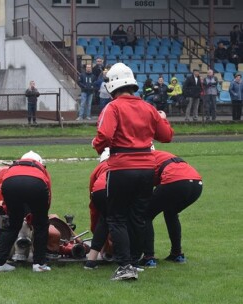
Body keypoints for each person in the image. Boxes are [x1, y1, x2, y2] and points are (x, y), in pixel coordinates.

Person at [92, 62, 174, 281]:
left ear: (112, 85)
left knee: (117, 218)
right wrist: (163, 118)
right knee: (138, 217)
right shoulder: (148, 107)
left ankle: (125, 265)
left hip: (122, 166)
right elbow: (166, 136)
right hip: (148, 167)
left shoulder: (114, 107)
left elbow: (105, 136)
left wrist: (97, 145)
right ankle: (135, 262)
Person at [140, 150, 202, 268]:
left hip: (176, 181)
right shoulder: (161, 154)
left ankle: (149, 257)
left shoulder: (144, 157)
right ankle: (177, 254)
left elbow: (146, 185)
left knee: (145, 215)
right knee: (171, 213)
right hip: (196, 183)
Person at [0, 151, 52, 273]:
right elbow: (48, 194)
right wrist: (39, 216)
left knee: (13, 225)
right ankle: (39, 264)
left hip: (10, 183)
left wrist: (9, 211)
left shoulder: (13, 168)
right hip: (36, 184)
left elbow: (4, 197)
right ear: (39, 162)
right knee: (41, 225)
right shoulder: (41, 170)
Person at [84, 148, 111, 270]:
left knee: (104, 221)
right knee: (121, 221)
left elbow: (93, 204)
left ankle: (91, 261)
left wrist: (94, 228)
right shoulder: (122, 163)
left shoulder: (98, 169)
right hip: (117, 188)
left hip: (99, 191)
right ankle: (129, 260)